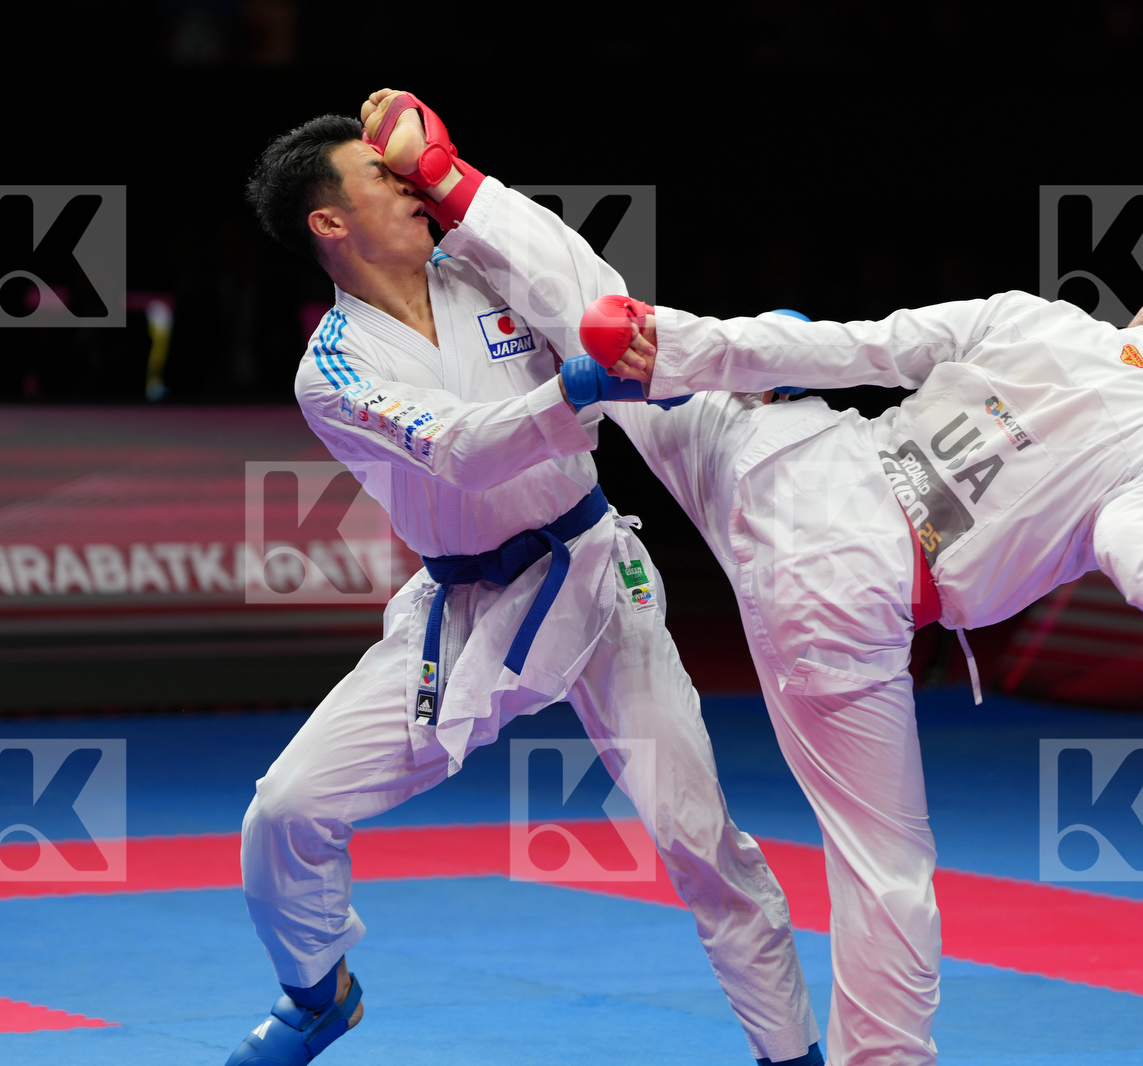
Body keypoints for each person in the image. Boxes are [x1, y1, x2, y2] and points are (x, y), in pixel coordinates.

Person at [567, 237, 1143, 1064]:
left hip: (784, 466)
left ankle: (461, 194)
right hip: (841, 599)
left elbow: (850, 346)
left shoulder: (1037, 319)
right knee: (885, 872)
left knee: (605, 329)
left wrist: (682, 347)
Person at [225, 91, 823, 1066]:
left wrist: (732, 357)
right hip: (458, 616)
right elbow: (460, 450)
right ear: (329, 221)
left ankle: (790, 1053)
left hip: (595, 581)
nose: (415, 187)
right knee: (286, 810)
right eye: (388, 178)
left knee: (697, 837)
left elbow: (596, 297)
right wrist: (575, 388)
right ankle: (317, 990)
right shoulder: (331, 368)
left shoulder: (485, 265)